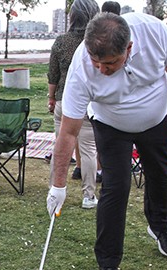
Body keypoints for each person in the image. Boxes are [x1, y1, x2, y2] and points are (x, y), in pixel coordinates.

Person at [46, 12, 167, 270]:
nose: (101, 70)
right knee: (116, 188)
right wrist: (57, 186)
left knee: (159, 173)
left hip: (156, 117)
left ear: (129, 49)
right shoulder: (82, 69)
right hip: (111, 123)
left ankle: (160, 228)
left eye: (109, 64)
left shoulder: (155, 32)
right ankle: (108, 264)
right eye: (96, 62)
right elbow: (68, 133)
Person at [48, 0, 100, 209]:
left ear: (72, 17)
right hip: (87, 104)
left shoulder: (61, 42)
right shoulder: (97, 42)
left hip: (63, 100)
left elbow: (53, 74)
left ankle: (55, 189)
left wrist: (51, 98)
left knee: (60, 146)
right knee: (88, 150)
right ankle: (88, 195)